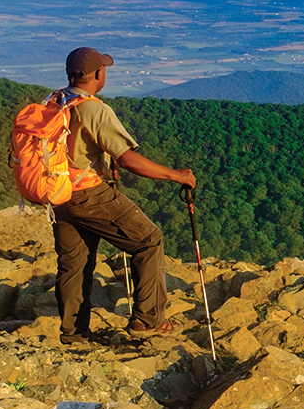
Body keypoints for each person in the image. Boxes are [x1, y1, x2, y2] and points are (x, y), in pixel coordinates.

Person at [52, 46, 196, 344]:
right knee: (148, 239)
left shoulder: (55, 101)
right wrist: (175, 175)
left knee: (74, 263)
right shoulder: (93, 108)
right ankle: (148, 320)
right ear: (97, 75)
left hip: (59, 195)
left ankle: (73, 334)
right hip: (90, 194)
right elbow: (127, 158)